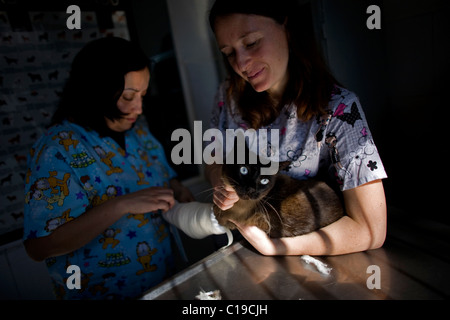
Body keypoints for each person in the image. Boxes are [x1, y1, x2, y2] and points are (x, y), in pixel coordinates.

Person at [205, 0, 388, 256]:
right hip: (236, 249)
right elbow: (211, 156)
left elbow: (371, 230)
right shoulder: (228, 95)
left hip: (304, 254)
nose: (242, 64)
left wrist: (276, 248)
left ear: (286, 27)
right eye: (229, 53)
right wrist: (220, 182)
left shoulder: (339, 110)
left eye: (251, 42)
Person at [23, 37, 200, 299]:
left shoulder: (138, 132)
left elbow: (164, 174)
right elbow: (39, 248)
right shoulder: (58, 148)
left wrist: (176, 188)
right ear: (96, 90)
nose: (138, 108)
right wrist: (120, 205)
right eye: (128, 96)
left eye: (142, 95)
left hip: (162, 282)